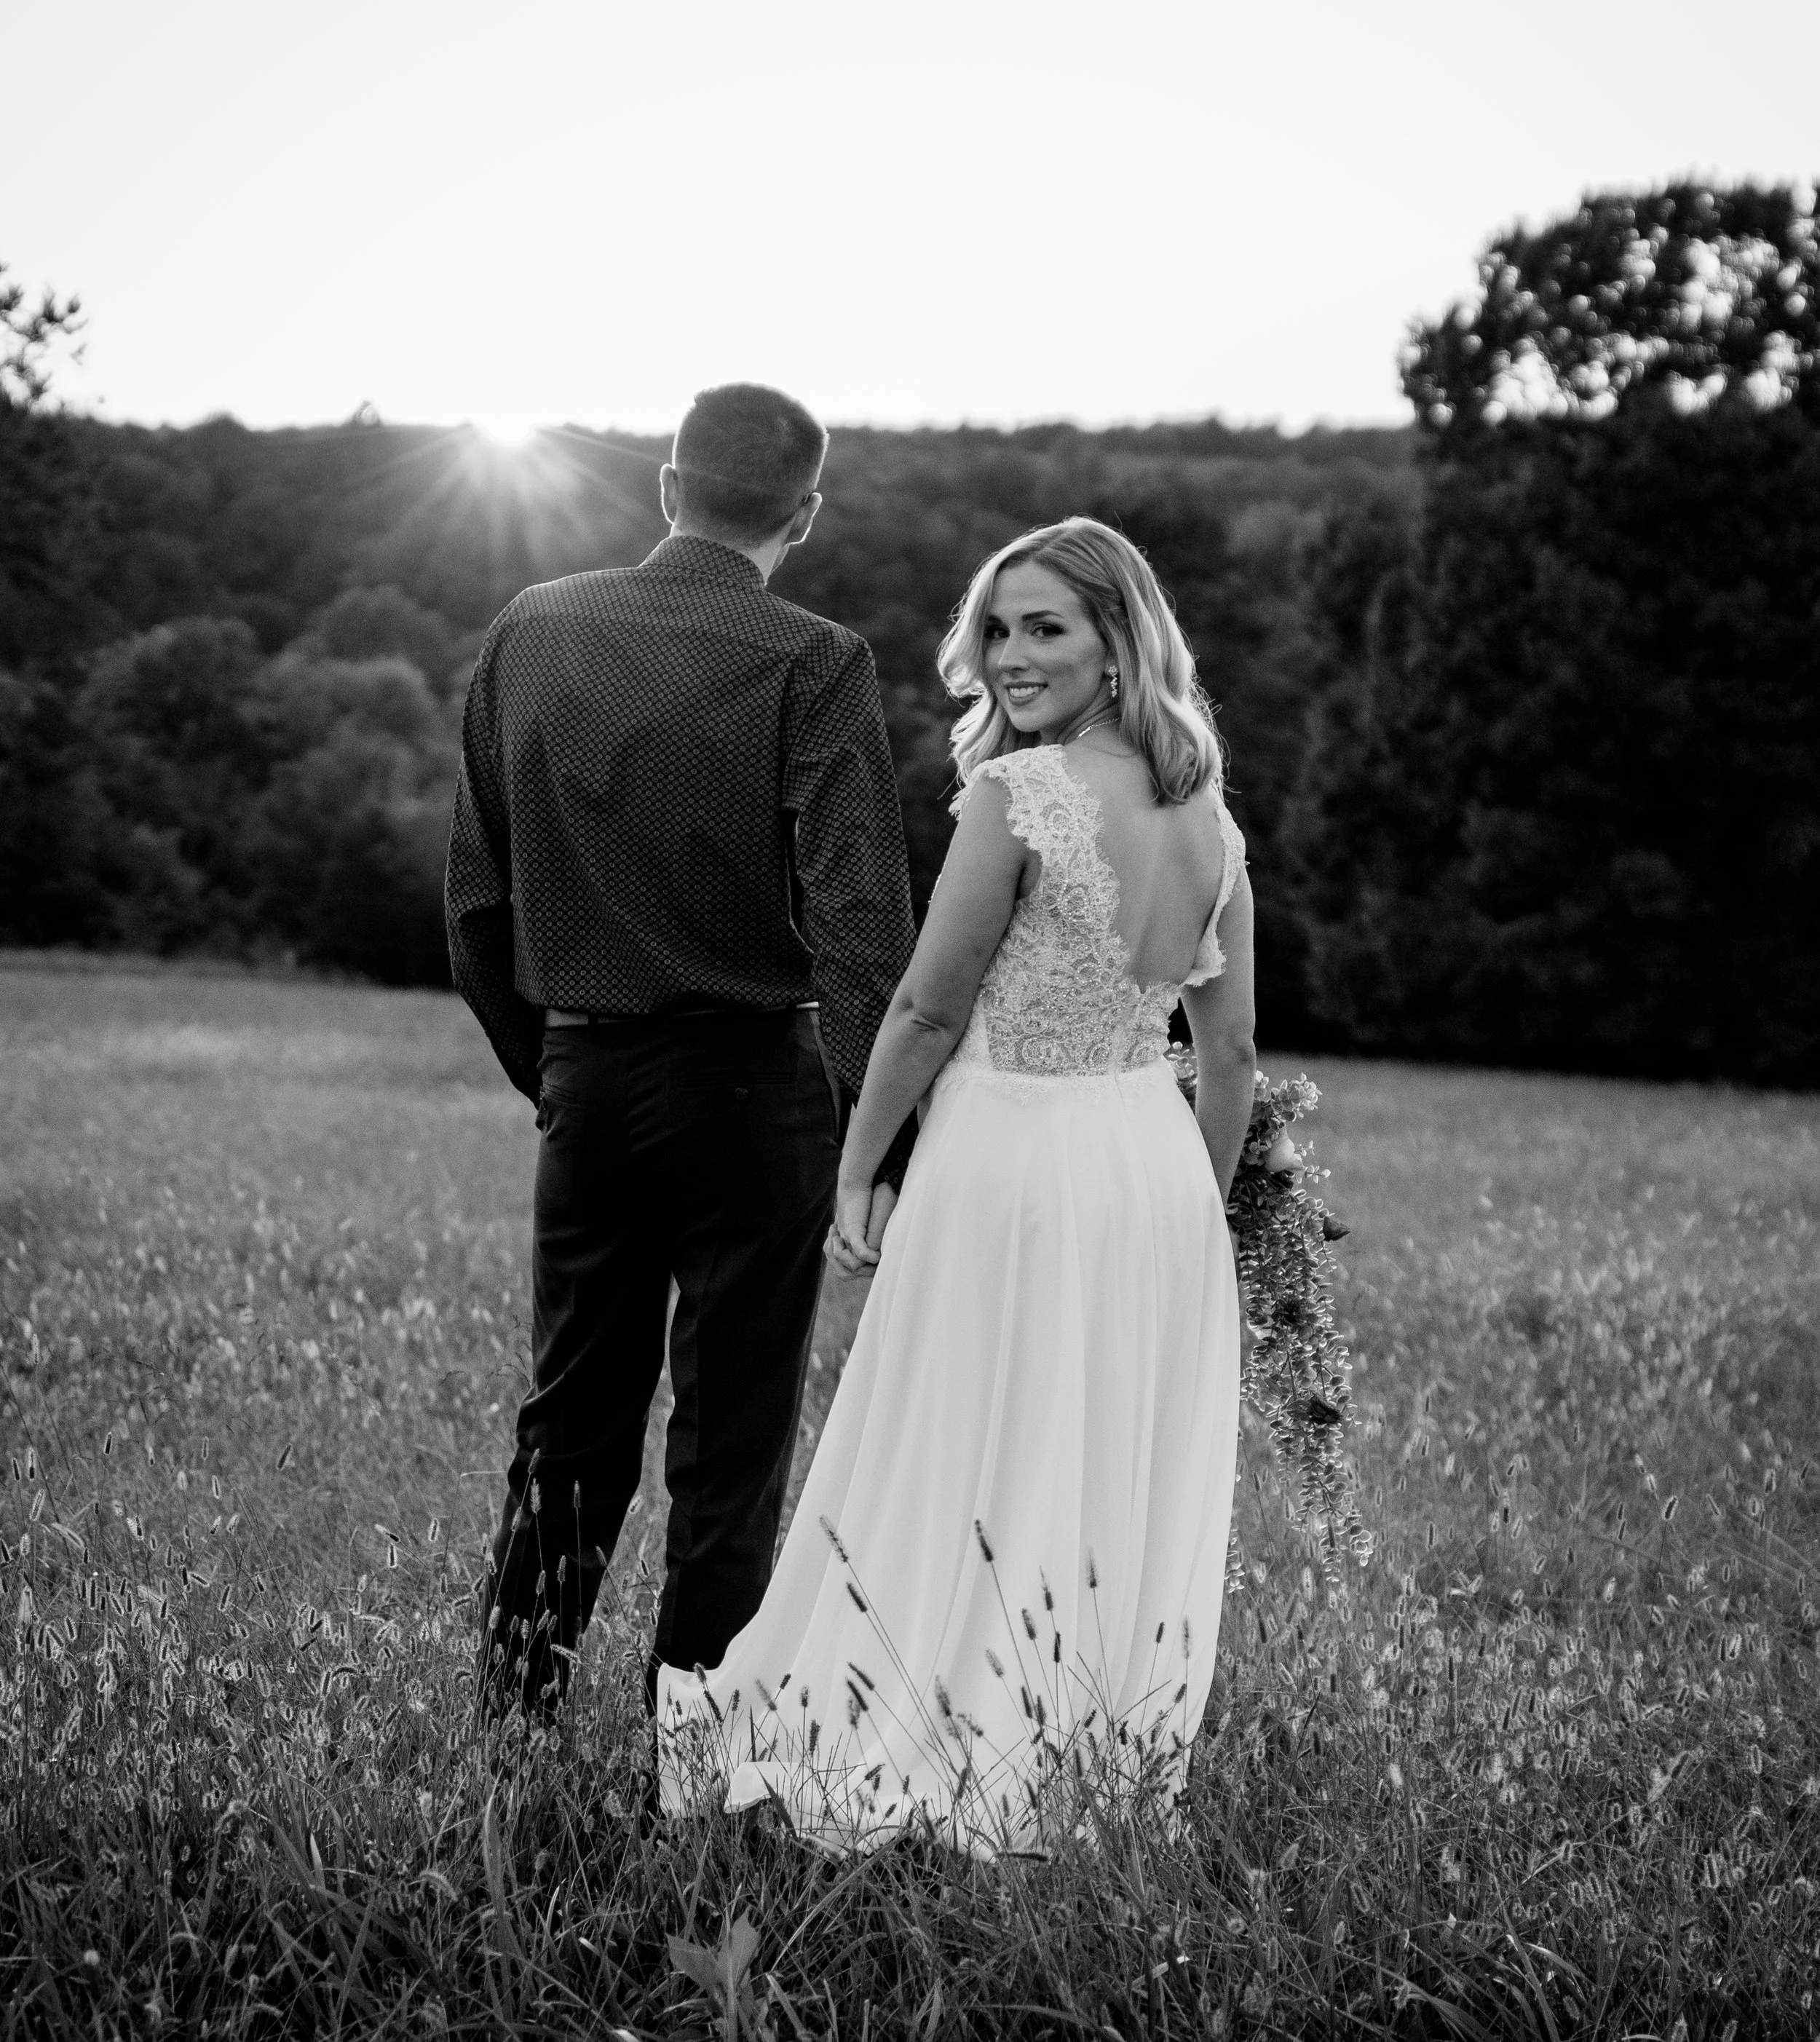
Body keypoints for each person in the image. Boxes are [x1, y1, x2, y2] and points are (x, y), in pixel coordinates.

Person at [657, 517, 1254, 1853]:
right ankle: (1069, 1752)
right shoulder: (1211, 821)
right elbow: (1228, 1055)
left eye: (1046, 627)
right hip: (1152, 1174)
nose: (1010, 654)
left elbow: (927, 1009)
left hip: (1012, 1162)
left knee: (957, 1440)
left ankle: (931, 1728)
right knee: (1085, 1457)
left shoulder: (1022, 794)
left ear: (1120, 642)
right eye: (997, 627)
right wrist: (1195, 1219)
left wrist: (858, 1165)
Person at [445, 382, 917, 1720]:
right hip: (758, 1093)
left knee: (569, 1419)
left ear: (668, 488)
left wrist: (556, 1070)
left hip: (588, 1079)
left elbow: (475, 900)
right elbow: (861, 925)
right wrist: (881, 1129)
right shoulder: (816, 659)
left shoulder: (532, 627)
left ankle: (512, 1726)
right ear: (804, 516)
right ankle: (696, 1758)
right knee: (732, 1448)